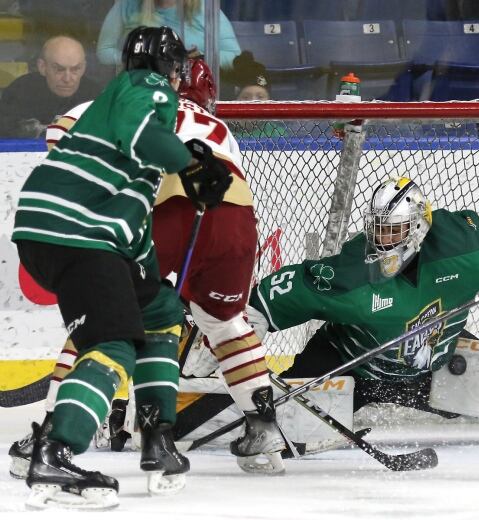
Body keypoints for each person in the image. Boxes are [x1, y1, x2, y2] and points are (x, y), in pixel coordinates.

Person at [8, 53, 286, 479]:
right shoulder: (220, 126)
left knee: (105, 314)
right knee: (224, 321)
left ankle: (53, 429)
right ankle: (262, 424)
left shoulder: (124, 100)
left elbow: (58, 138)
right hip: (235, 218)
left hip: (164, 212)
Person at [245, 176, 479, 426]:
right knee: (290, 424)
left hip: (427, 371)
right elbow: (298, 288)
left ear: (419, 227)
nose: (382, 240)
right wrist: (253, 313)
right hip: (350, 365)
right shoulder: (355, 270)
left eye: (394, 231)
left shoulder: (460, 245)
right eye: (378, 229)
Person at [0, 35, 100, 138]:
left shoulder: (96, 97)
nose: (67, 79)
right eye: (59, 69)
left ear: (84, 68)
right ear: (42, 67)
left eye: (75, 69)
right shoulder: (19, 93)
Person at [96, 0, 240, 69]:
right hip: (141, 88)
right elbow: (104, 51)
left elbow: (235, 55)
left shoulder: (204, 8)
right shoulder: (128, 4)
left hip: (193, 89)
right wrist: (139, 60)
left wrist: (195, 59)